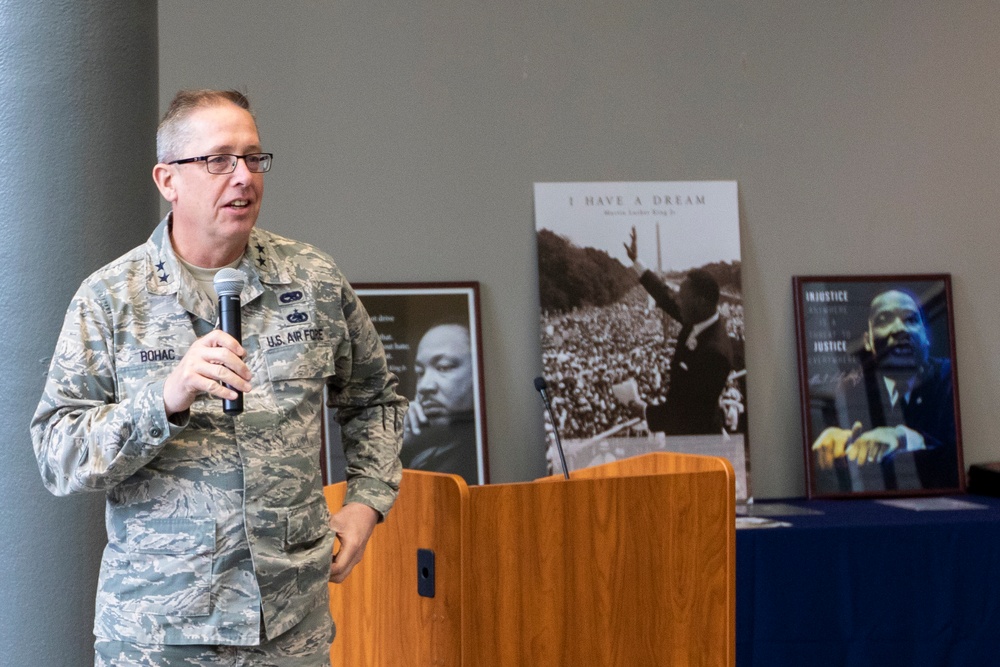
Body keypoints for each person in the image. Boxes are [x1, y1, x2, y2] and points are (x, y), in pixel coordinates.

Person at [30, 89, 405, 666]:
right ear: (167, 180)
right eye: (218, 160)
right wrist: (165, 398)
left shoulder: (312, 280)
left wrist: (366, 501)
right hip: (159, 632)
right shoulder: (111, 299)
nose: (243, 177)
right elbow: (58, 452)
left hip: (288, 628)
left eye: (254, 158)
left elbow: (376, 399)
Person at [810, 289, 959, 492]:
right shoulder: (851, 391)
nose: (900, 329)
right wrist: (839, 444)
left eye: (911, 320)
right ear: (868, 341)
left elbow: (955, 461)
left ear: (926, 336)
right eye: (884, 320)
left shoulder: (949, 377)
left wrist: (900, 437)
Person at [622, 226, 734, 435]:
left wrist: (645, 411)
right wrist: (637, 262)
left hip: (697, 439)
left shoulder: (714, 352)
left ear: (700, 302)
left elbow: (690, 412)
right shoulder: (698, 319)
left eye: (683, 298)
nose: (678, 302)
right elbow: (664, 296)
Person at [400, 322, 479, 485]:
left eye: (444, 367)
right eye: (420, 373)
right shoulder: (422, 445)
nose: (424, 386)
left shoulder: (481, 451)